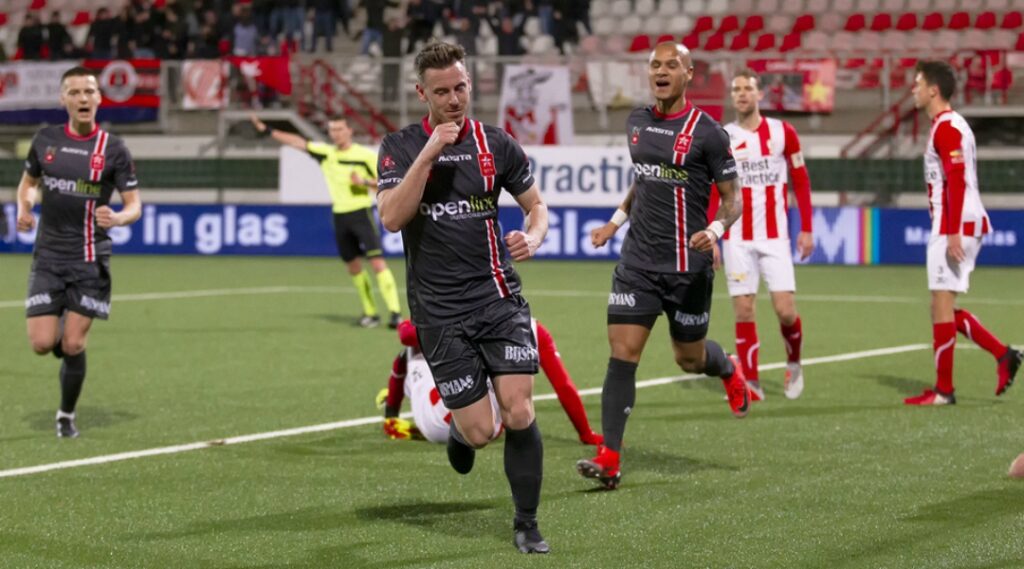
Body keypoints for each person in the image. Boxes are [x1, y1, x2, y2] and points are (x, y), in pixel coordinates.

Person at [375, 41, 551, 554]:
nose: (454, 99)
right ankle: (459, 429)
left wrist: (534, 236)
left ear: (470, 84)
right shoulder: (400, 146)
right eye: (442, 92)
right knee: (480, 432)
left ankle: (527, 523)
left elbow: (537, 207)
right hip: (439, 312)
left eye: (460, 87)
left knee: (519, 410)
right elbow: (392, 218)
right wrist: (430, 153)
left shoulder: (496, 144)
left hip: (498, 298)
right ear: (421, 93)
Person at [578, 42, 748, 490]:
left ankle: (726, 367)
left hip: (687, 267)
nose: (662, 70)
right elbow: (644, 178)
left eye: (672, 65)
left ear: (689, 73)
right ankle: (610, 457)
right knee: (622, 355)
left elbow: (733, 200)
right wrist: (615, 222)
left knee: (689, 358)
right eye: (655, 64)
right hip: (637, 263)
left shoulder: (709, 133)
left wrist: (715, 230)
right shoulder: (637, 122)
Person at [15, 66, 142, 438]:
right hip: (48, 256)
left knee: (73, 343)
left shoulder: (113, 149)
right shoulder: (46, 141)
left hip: (90, 258)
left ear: (99, 97)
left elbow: (134, 205)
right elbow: (28, 183)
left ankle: (66, 415)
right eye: (74, 92)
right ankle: (61, 330)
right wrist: (25, 206)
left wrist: (118, 218)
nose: (82, 98)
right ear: (63, 99)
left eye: (89, 91)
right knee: (42, 344)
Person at [903, 60, 1021, 406]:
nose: (913, 89)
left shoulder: (947, 128)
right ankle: (1003, 355)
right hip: (955, 223)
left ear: (933, 90)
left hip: (954, 224)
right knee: (940, 308)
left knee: (941, 305)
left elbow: (955, 179)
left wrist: (952, 230)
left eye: (918, 84)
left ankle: (944, 390)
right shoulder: (949, 125)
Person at [715, 68, 814, 401]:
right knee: (744, 309)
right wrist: (713, 233)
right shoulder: (723, 137)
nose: (742, 94)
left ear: (759, 94)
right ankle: (751, 383)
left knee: (785, 310)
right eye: (736, 89)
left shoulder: (783, 132)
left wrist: (807, 227)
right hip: (737, 238)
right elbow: (716, 190)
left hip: (775, 238)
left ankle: (794, 362)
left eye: (748, 88)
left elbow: (800, 180)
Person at [251, 115, 403, 328]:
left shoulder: (365, 156)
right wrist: (268, 130)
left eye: (340, 129)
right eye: (332, 130)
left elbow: (388, 181)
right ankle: (371, 313)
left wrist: (364, 181)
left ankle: (395, 313)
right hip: (340, 216)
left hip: (361, 214)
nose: (336, 134)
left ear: (349, 131)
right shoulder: (327, 154)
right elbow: (298, 142)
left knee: (377, 262)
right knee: (353, 267)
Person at [379, 319, 603, 446]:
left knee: (411, 352)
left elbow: (406, 335)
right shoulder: (533, 327)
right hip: (492, 429)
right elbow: (563, 387)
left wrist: (407, 323)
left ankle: (391, 415)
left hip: (434, 427)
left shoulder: (459, 315)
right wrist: (586, 434)